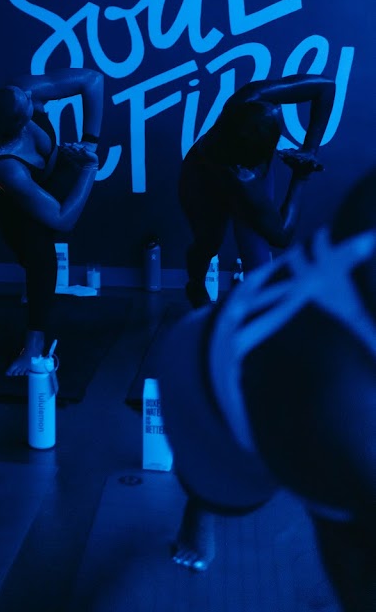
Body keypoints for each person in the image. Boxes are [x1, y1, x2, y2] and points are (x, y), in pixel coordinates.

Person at [157, 165, 376, 611]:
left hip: (281, 324)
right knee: (350, 540)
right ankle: (203, 502)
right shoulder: (341, 401)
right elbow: (276, 232)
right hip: (217, 368)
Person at [0, 66, 104, 375]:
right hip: (17, 205)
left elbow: (92, 80)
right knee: (39, 257)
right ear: (18, 123)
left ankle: (36, 315)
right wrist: (89, 168)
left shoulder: (20, 91)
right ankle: (33, 348)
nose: (29, 94)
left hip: (53, 172)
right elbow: (62, 220)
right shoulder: (4, 165)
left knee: (43, 257)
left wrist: (89, 143)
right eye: (26, 100)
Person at [178, 74, 336, 308]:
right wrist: (300, 176)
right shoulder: (244, 179)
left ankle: (256, 307)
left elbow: (326, 87)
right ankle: (196, 286)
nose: (276, 111)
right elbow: (282, 235)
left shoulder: (251, 97)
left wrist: (309, 151)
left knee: (257, 255)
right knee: (208, 242)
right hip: (201, 181)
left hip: (240, 168)